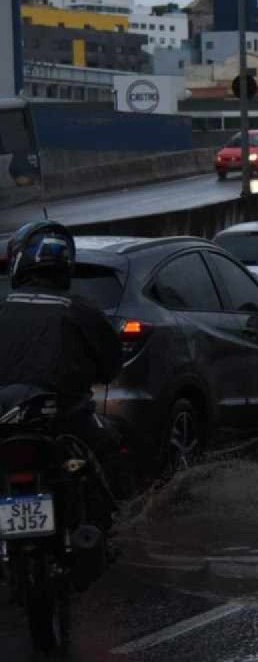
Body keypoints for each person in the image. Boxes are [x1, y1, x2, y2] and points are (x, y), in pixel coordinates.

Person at [0, 221, 124, 528]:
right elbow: (110, 367)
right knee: (110, 453)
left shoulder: (3, 306)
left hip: (20, 423)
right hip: (65, 421)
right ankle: (113, 530)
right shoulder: (82, 310)